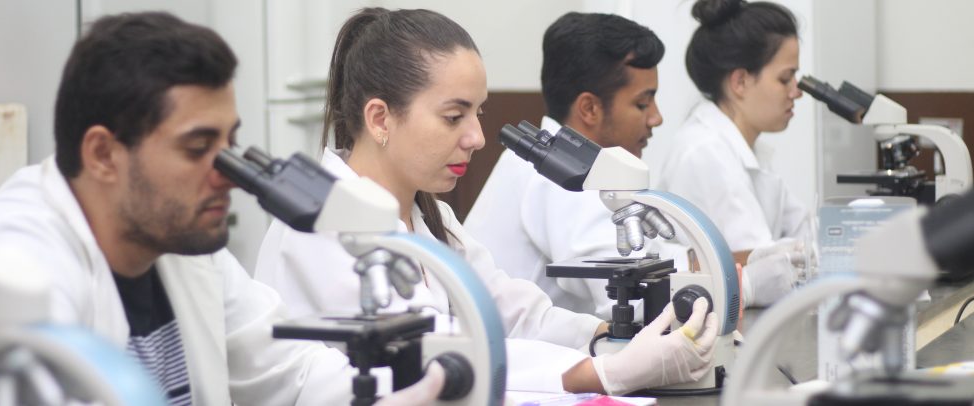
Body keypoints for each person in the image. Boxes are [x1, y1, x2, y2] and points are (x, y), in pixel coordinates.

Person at [0, 11, 445, 405]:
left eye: (229, 146)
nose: (227, 175)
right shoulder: (15, 258)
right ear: (103, 154)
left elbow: (292, 372)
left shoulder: (184, 246)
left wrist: (432, 384)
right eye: (198, 148)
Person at [254, 7, 718, 395]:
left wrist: (605, 338)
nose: (477, 137)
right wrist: (603, 372)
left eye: (477, 113)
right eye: (453, 116)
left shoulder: (429, 215)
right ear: (380, 119)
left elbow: (508, 310)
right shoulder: (319, 228)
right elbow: (430, 356)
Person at [465, 12, 693, 319]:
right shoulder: (556, 175)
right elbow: (633, 298)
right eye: (642, 103)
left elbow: (653, 256)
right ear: (589, 108)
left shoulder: (586, 164)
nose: (656, 118)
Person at [657, 0, 811, 307]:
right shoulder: (706, 153)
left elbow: (805, 237)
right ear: (740, 82)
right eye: (785, 79)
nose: (797, 91)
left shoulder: (747, 149)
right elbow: (767, 270)